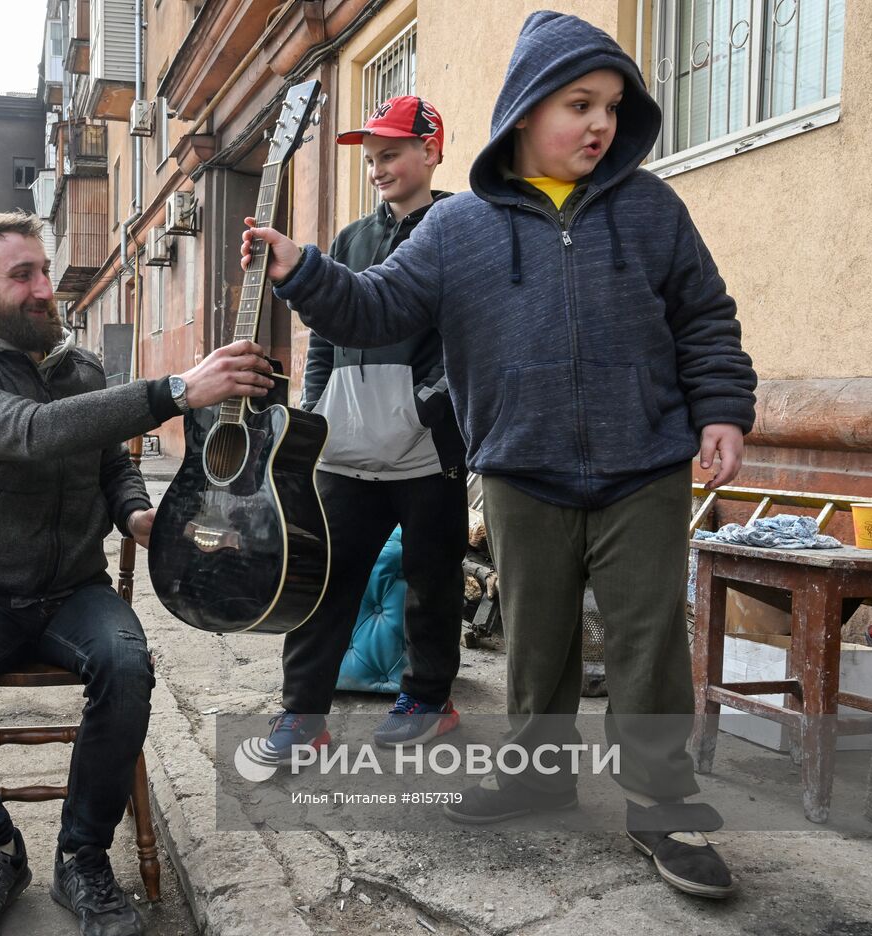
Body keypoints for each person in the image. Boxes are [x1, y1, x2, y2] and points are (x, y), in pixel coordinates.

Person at [243, 12, 756, 900]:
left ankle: (661, 807)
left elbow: (704, 316)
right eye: (578, 104)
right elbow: (375, 308)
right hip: (522, 468)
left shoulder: (651, 208)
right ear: (524, 113)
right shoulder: (461, 229)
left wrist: (722, 410)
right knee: (538, 643)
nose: (600, 123)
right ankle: (536, 772)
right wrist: (301, 270)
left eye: (611, 106)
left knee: (646, 640)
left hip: (646, 463)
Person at [0, 210, 274, 936]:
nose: (42, 290)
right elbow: (34, 434)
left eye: (44, 272)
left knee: (128, 668)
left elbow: (107, 467)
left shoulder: (81, 369)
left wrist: (136, 516)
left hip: (75, 592)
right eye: (20, 275)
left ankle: (82, 857)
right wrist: (177, 391)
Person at [258, 95, 468, 766]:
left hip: (427, 449)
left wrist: (427, 405)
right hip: (345, 450)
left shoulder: (460, 229)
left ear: (430, 150)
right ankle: (303, 716)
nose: (378, 168)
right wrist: (316, 405)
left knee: (432, 579)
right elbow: (324, 331)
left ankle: (429, 699)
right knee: (323, 578)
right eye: (372, 158)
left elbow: (466, 337)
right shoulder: (351, 239)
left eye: (392, 154)